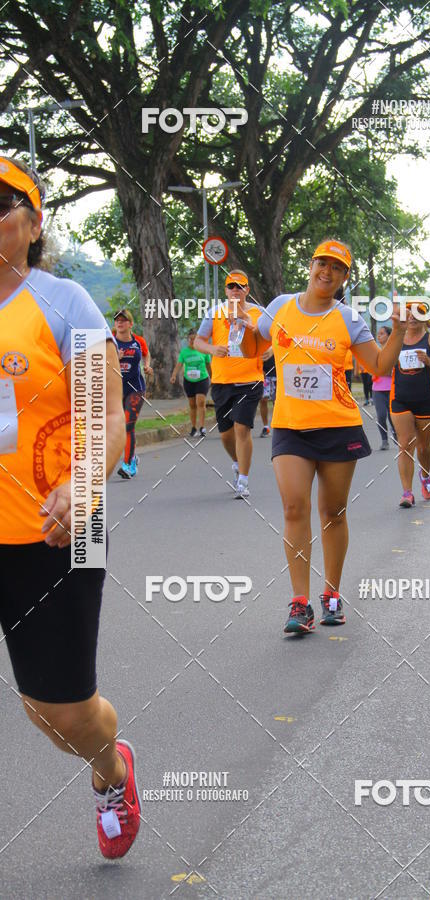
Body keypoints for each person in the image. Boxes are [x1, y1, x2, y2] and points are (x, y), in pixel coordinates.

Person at [0, 157, 140, 858]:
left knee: (58, 713)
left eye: (0, 203)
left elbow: (108, 416)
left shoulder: (66, 305)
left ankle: (110, 769)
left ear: (33, 225)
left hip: (58, 533)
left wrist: (84, 484)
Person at [238, 238, 406, 634]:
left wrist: (397, 331)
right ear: (310, 266)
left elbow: (379, 364)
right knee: (294, 508)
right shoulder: (280, 307)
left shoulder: (348, 319)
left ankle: (331, 593)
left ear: (344, 277)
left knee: (333, 512)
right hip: (291, 427)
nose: (326, 272)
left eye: (336, 268)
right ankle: (300, 603)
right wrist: (240, 327)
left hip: (338, 426)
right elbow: (251, 350)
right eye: (321, 264)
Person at [195, 270, 263, 498]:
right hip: (222, 381)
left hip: (250, 380)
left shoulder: (258, 313)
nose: (235, 290)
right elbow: (198, 341)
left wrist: (267, 351)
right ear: (226, 290)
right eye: (231, 286)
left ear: (247, 289)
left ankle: (243, 480)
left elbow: (272, 338)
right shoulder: (215, 313)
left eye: (240, 286)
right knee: (226, 435)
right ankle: (237, 462)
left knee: (242, 428)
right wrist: (213, 349)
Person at [390, 302, 430, 507]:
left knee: (423, 447)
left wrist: (429, 361)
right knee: (405, 444)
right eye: (409, 314)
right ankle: (407, 493)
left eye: (418, 314)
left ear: (425, 317)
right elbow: (384, 361)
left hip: (426, 399)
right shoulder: (397, 338)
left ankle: (425, 475)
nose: (413, 317)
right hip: (400, 398)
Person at [113, 309, 152, 478]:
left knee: (129, 424)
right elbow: (99, 364)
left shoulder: (138, 341)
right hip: (115, 390)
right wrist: (115, 358)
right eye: (117, 321)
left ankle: (128, 465)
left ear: (130, 324)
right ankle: (133, 457)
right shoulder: (110, 343)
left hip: (135, 388)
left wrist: (147, 365)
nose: (120, 323)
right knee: (120, 429)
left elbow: (146, 353)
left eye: (123, 320)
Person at [170, 328, 211, 437]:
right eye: (190, 339)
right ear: (188, 340)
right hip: (189, 381)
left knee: (200, 402)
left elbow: (208, 365)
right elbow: (179, 364)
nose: (192, 341)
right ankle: (193, 428)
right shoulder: (184, 352)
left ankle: (202, 427)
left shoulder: (203, 350)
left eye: (194, 339)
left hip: (202, 379)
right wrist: (174, 375)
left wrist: (213, 377)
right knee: (192, 405)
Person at [372, 325, 395, 450]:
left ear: (389, 336)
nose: (379, 336)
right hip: (377, 389)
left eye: (382, 333)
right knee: (381, 415)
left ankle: (396, 435)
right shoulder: (375, 350)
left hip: (392, 388)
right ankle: (384, 440)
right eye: (378, 334)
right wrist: (383, 370)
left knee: (393, 416)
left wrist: (382, 370)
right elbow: (372, 368)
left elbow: (394, 370)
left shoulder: (394, 351)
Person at [259, 348, 276, 437]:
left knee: (276, 402)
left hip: (277, 372)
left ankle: (278, 426)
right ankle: (266, 427)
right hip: (264, 374)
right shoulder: (262, 335)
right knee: (263, 400)